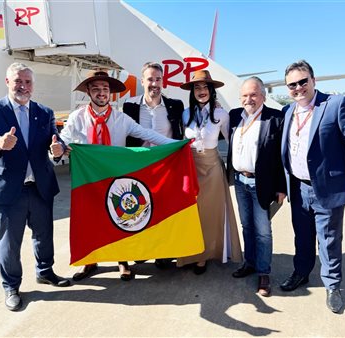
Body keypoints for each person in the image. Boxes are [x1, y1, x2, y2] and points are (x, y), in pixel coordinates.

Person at [0, 62, 70, 312]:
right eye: (18, 81)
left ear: (33, 85)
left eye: (27, 82)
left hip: (39, 186)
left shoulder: (44, 112)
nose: (23, 86)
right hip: (6, 189)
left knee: (44, 235)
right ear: (7, 82)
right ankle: (11, 286)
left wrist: (58, 149)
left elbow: (54, 140)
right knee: (9, 243)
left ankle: (45, 272)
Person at [59, 69, 175, 281]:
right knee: (89, 220)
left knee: (119, 217)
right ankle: (89, 262)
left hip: (115, 178)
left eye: (105, 89)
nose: (101, 93)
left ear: (110, 93)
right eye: (96, 89)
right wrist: (57, 148)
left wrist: (179, 145)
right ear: (88, 92)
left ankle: (122, 260)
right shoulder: (77, 117)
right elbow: (63, 140)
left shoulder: (121, 119)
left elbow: (148, 135)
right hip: (88, 180)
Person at [280, 60, 345, 313]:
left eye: (302, 81)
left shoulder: (335, 104)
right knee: (302, 235)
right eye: (292, 85)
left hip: (326, 187)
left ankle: (332, 285)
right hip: (298, 187)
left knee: (329, 239)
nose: (298, 88)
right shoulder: (288, 111)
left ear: (313, 80)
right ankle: (301, 272)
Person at [177, 70, 242, 274]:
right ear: (192, 91)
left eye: (205, 87)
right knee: (191, 214)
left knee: (209, 214)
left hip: (212, 168)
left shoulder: (222, 114)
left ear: (212, 90)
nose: (202, 91)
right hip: (191, 168)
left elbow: (234, 142)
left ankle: (204, 256)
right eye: (197, 87)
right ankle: (189, 252)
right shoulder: (186, 114)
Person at [227, 77, 286, 297]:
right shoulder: (235, 116)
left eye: (253, 94)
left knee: (263, 231)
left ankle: (264, 273)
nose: (248, 99)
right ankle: (249, 263)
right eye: (244, 95)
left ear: (263, 95)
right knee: (247, 226)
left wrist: (282, 187)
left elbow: (282, 156)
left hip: (262, 183)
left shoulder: (274, 117)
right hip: (240, 182)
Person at [123, 61, 184, 269]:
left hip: (165, 168)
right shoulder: (129, 106)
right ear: (142, 81)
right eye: (150, 79)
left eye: (158, 79)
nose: (154, 84)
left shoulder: (175, 105)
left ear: (163, 81)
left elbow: (183, 129)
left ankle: (164, 253)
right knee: (139, 210)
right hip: (139, 168)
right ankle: (143, 250)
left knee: (163, 211)